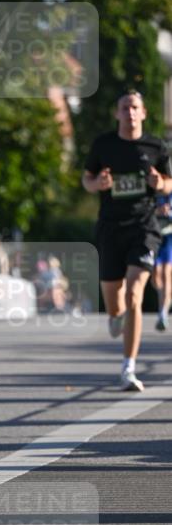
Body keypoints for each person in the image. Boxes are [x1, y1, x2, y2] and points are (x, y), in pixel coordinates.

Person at [83, 89, 172, 391]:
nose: (130, 113)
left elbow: (169, 182)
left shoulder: (156, 146)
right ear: (117, 113)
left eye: (135, 107)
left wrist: (160, 183)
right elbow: (87, 179)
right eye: (125, 108)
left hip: (144, 228)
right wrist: (98, 183)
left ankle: (128, 368)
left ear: (143, 113)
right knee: (114, 300)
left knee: (134, 293)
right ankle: (114, 315)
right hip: (110, 228)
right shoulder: (103, 145)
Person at [153, 193, 172, 330]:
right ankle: (165, 296)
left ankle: (163, 313)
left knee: (166, 273)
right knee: (155, 276)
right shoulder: (154, 190)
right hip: (154, 235)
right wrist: (157, 211)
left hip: (170, 237)